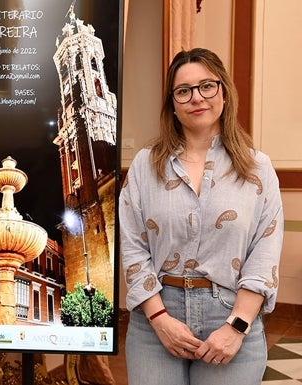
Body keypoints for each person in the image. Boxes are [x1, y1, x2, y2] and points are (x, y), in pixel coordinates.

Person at [119, 47, 283, 385]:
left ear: (223, 91)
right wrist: (160, 319)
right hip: (156, 319)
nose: (197, 98)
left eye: (207, 86)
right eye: (184, 91)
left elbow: (264, 254)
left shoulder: (257, 168)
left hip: (231, 315)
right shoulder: (144, 166)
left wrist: (236, 326)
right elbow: (132, 246)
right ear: (173, 104)